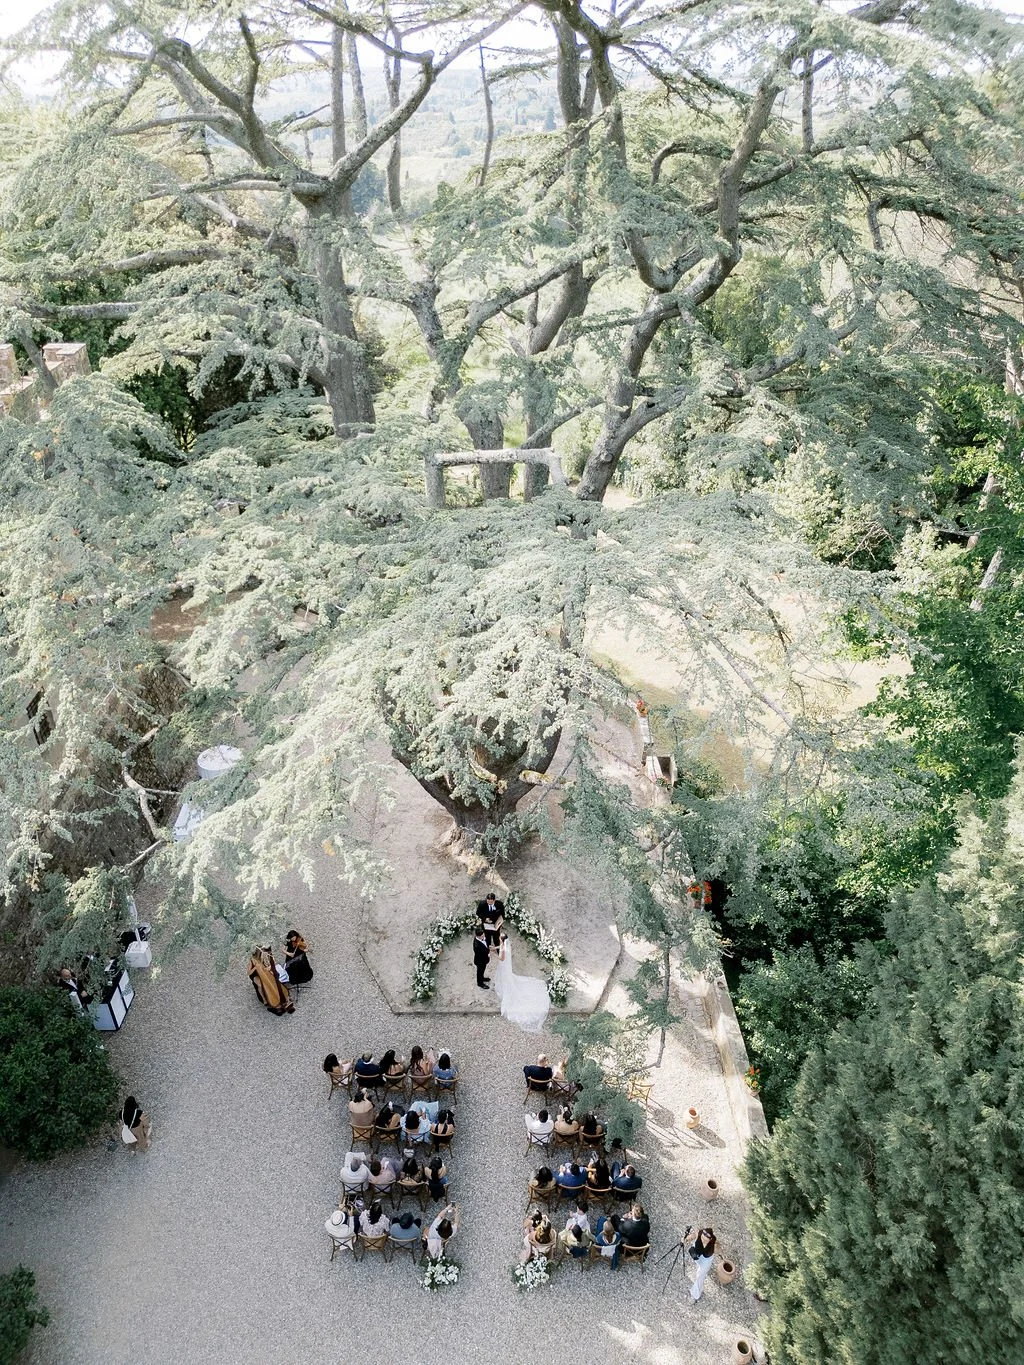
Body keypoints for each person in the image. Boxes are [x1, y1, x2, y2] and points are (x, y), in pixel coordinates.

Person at [494, 931, 550, 1033]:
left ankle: (507, 994)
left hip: (504, 967)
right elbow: (501, 948)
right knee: (507, 979)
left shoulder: (503, 947)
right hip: (506, 967)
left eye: (499, 937)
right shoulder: (505, 944)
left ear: (501, 940)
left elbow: (501, 958)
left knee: (506, 981)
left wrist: (492, 953)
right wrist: (495, 948)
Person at [247, 946, 293, 1014]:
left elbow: (265, 966)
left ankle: (282, 997)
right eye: (259, 952)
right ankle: (264, 999)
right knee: (259, 984)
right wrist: (255, 968)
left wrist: (268, 967)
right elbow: (249, 973)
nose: (261, 953)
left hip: (263, 973)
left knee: (274, 976)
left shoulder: (262, 957)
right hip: (255, 975)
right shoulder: (251, 961)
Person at [686, 1226, 717, 1300]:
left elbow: (719, 1250)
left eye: (707, 1236)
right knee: (699, 1271)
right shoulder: (699, 1234)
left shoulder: (713, 1245)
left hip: (705, 1262)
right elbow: (691, 1237)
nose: (704, 1237)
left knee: (700, 1277)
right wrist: (685, 1239)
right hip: (697, 1257)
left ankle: (695, 1295)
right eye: (703, 1234)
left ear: (710, 1239)